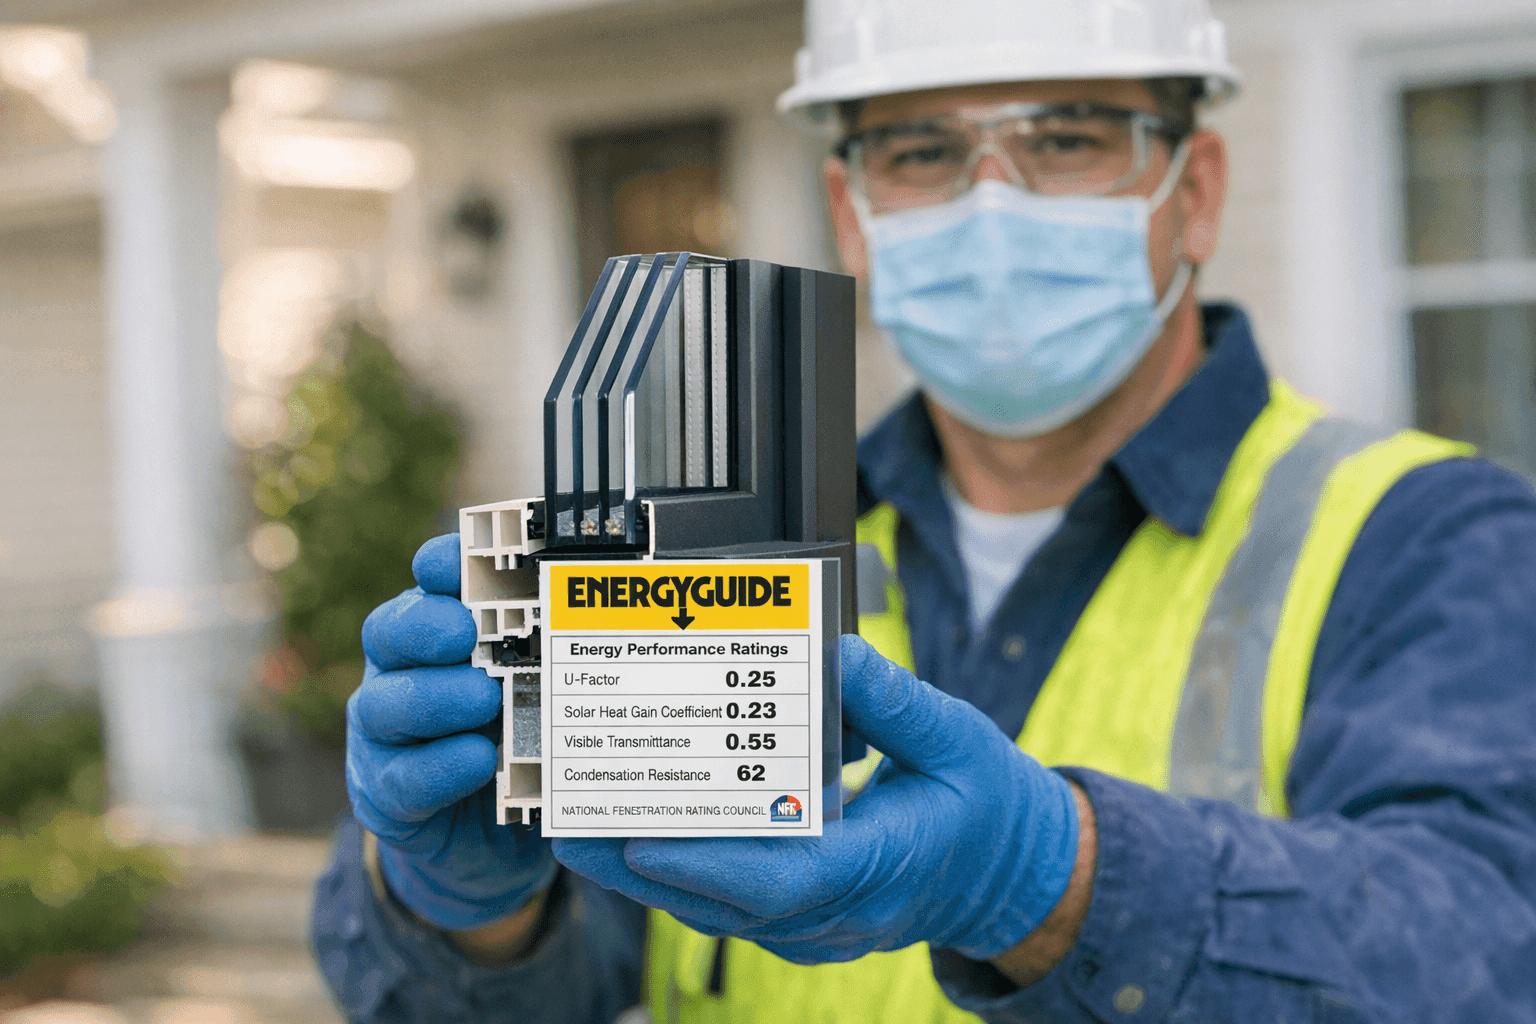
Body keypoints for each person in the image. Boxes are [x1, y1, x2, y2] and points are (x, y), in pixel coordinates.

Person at [313, 0, 1536, 1020]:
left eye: (1066, 139)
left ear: (1195, 187)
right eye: (923, 152)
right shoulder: (712, 539)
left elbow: (1489, 950)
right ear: (854, 213)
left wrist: (1052, 880)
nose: (991, 201)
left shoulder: (1422, 536)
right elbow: (566, 979)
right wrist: (468, 912)